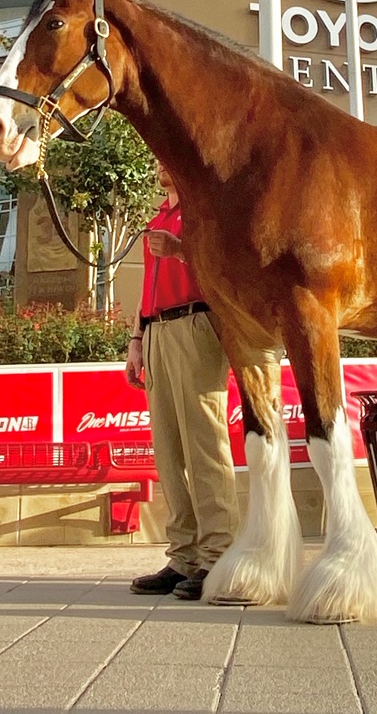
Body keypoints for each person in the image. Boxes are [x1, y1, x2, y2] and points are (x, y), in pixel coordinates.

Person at [125, 166, 237, 602]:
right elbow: (145, 288)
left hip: (197, 321)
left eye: (163, 157)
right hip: (157, 330)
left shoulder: (204, 210)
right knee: (169, 449)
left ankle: (217, 554)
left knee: (205, 444)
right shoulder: (158, 216)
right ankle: (184, 556)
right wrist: (136, 340)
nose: (157, 165)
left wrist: (180, 250)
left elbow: (226, 263)